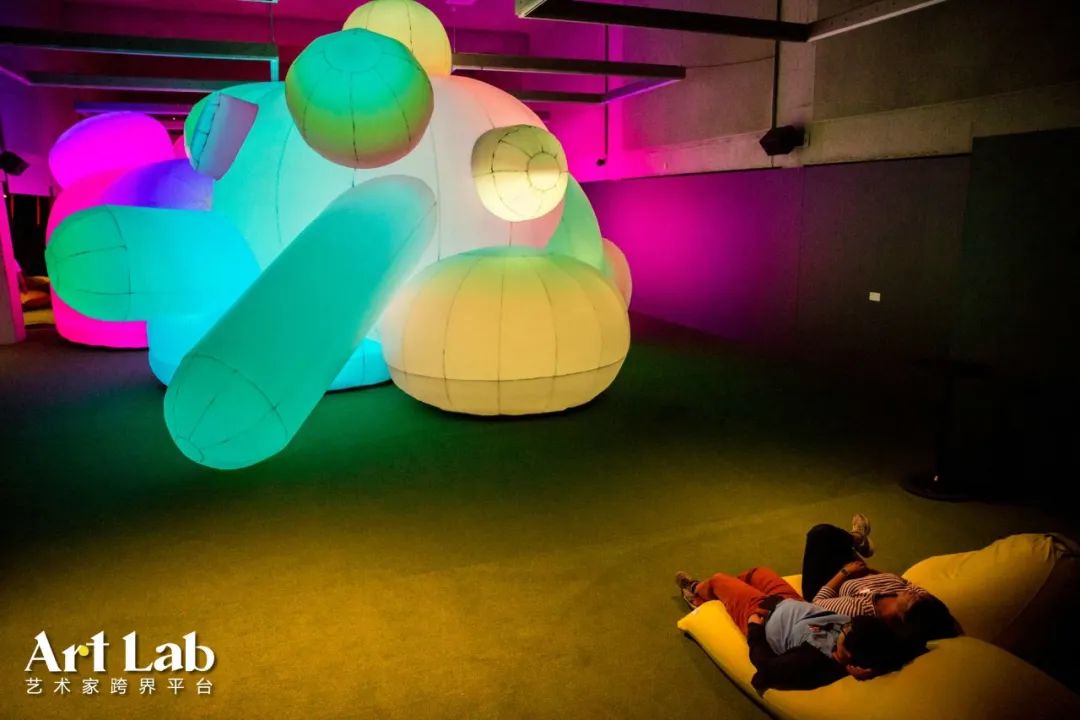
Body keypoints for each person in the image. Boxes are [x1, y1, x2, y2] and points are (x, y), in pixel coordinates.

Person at [675, 567, 920, 692]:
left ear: (847, 654)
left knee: (718, 579)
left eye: (845, 631)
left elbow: (764, 670)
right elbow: (915, 645)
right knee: (756, 573)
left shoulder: (813, 658)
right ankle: (726, 592)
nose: (845, 626)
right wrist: (876, 668)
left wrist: (755, 627)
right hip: (792, 603)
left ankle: (696, 593)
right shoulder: (875, 640)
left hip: (762, 614)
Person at [802, 514, 961, 642]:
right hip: (858, 573)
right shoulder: (914, 597)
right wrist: (873, 573)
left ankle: (857, 538)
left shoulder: (861, 611)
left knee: (820, 534)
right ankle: (856, 541)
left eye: (915, 599)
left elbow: (818, 602)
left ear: (904, 618)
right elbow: (906, 582)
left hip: (831, 584)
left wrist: (845, 572)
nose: (916, 593)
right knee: (832, 541)